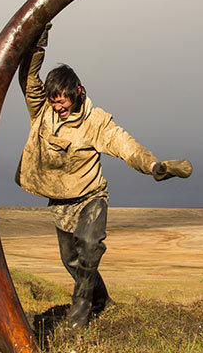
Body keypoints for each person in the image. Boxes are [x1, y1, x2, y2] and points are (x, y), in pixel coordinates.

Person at [16, 23, 192, 329]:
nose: (59, 108)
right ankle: (101, 300)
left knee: (90, 245)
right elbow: (29, 78)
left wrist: (153, 166)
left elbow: (124, 144)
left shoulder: (95, 121)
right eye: (54, 101)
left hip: (90, 197)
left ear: (78, 93)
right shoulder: (42, 109)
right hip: (60, 201)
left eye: (64, 101)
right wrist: (37, 44)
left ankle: (79, 316)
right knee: (72, 260)